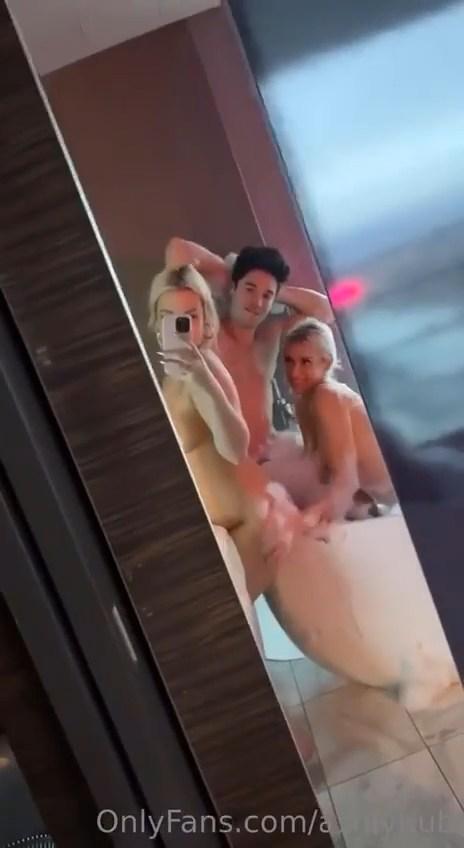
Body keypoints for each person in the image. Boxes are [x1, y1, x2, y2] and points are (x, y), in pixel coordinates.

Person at [148, 263, 311, 601]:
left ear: (206, 319)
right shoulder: (172, 375)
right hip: (223, 526)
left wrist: (203, 381)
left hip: (249, 527)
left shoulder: (204, 369)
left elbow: (235, 446)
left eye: (190, 317)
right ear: (155, 321)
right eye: (169, 317)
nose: (179, 327)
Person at [164, 237, 333, 461]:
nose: (257, 303)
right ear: (233, 288)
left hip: (269, 458)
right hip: (226, 460)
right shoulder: (208, 332)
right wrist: (231, 272)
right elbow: (177, 251)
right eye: (250, 289)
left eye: (266, 296)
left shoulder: (269, 336)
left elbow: (325, 312)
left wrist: (277, 291)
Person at [283, 318, 396, 524]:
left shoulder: (327, 395)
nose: (294, 372)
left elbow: (347, 480)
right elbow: (323, 472)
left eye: (305, 362)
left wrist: (310, 519)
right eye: (289, 360)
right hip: (376, 500)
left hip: (395, 496)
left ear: (326, 362)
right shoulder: (304, 402)